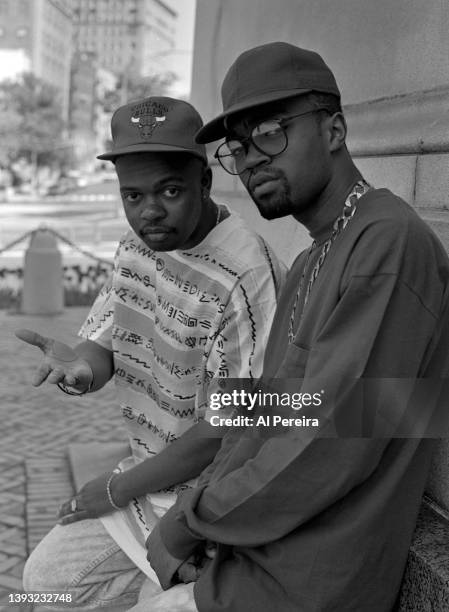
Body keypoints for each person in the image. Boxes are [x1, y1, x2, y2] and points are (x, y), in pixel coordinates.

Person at [145, 43, 449, 611]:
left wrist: (192, 521)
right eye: (237, 146)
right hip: (251, 551)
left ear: (334, 129)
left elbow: (332, 438)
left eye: (269, 131)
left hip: (308, 583)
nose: (252, 156)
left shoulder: (388, 243)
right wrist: (203, 493)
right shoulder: (312, 258)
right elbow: (279, 405)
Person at [19, 96, 284, 611]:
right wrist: (81, 369)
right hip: (146, 482)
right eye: (133, 195)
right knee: (44, 584)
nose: (150, 212)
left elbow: (227, 430)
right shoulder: (136, 245)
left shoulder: (246, 277)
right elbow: (103, 341)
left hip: (203, 500)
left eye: (169, 190)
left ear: (204, 183)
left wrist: (115, 490)